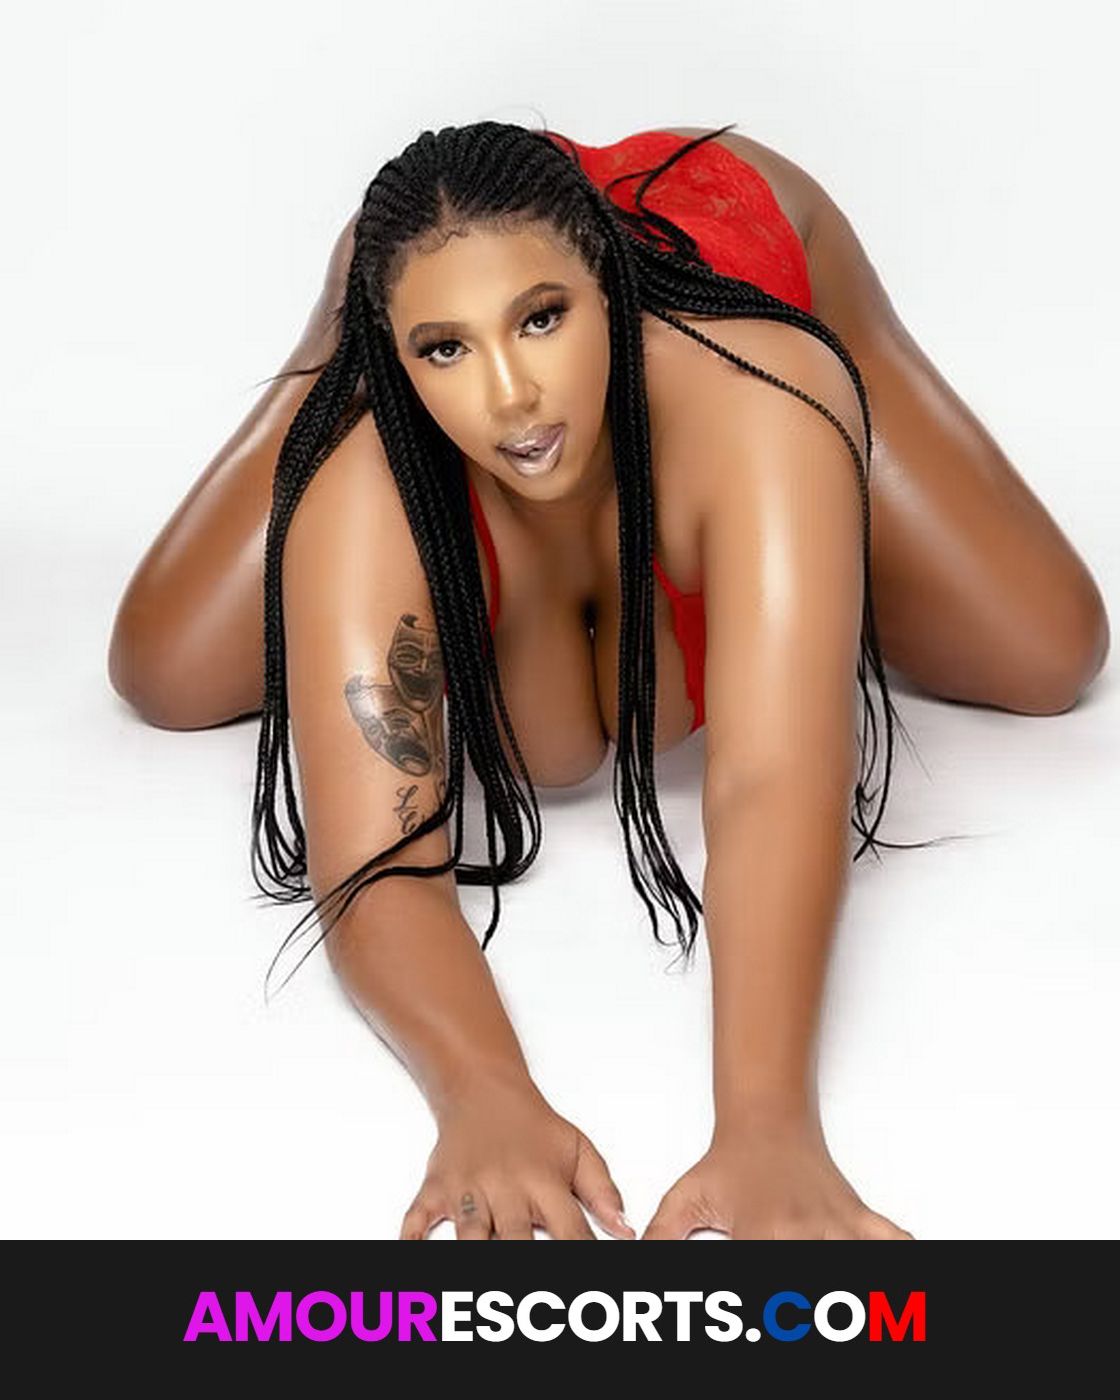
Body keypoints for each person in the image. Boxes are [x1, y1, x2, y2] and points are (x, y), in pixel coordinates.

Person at [107, 121, 1109, 1241]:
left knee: (1046, 652)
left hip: (719, 260)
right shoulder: (372, 486)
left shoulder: (756, 394)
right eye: (444, 348)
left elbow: (771, 780)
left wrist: (768, 1126)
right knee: (165, 669)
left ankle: (774, 509)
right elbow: (379, 857)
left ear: (605, 289)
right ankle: (405, 299)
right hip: (434, 299)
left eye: (542, 318)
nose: (512, 398)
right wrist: (481, 1092)